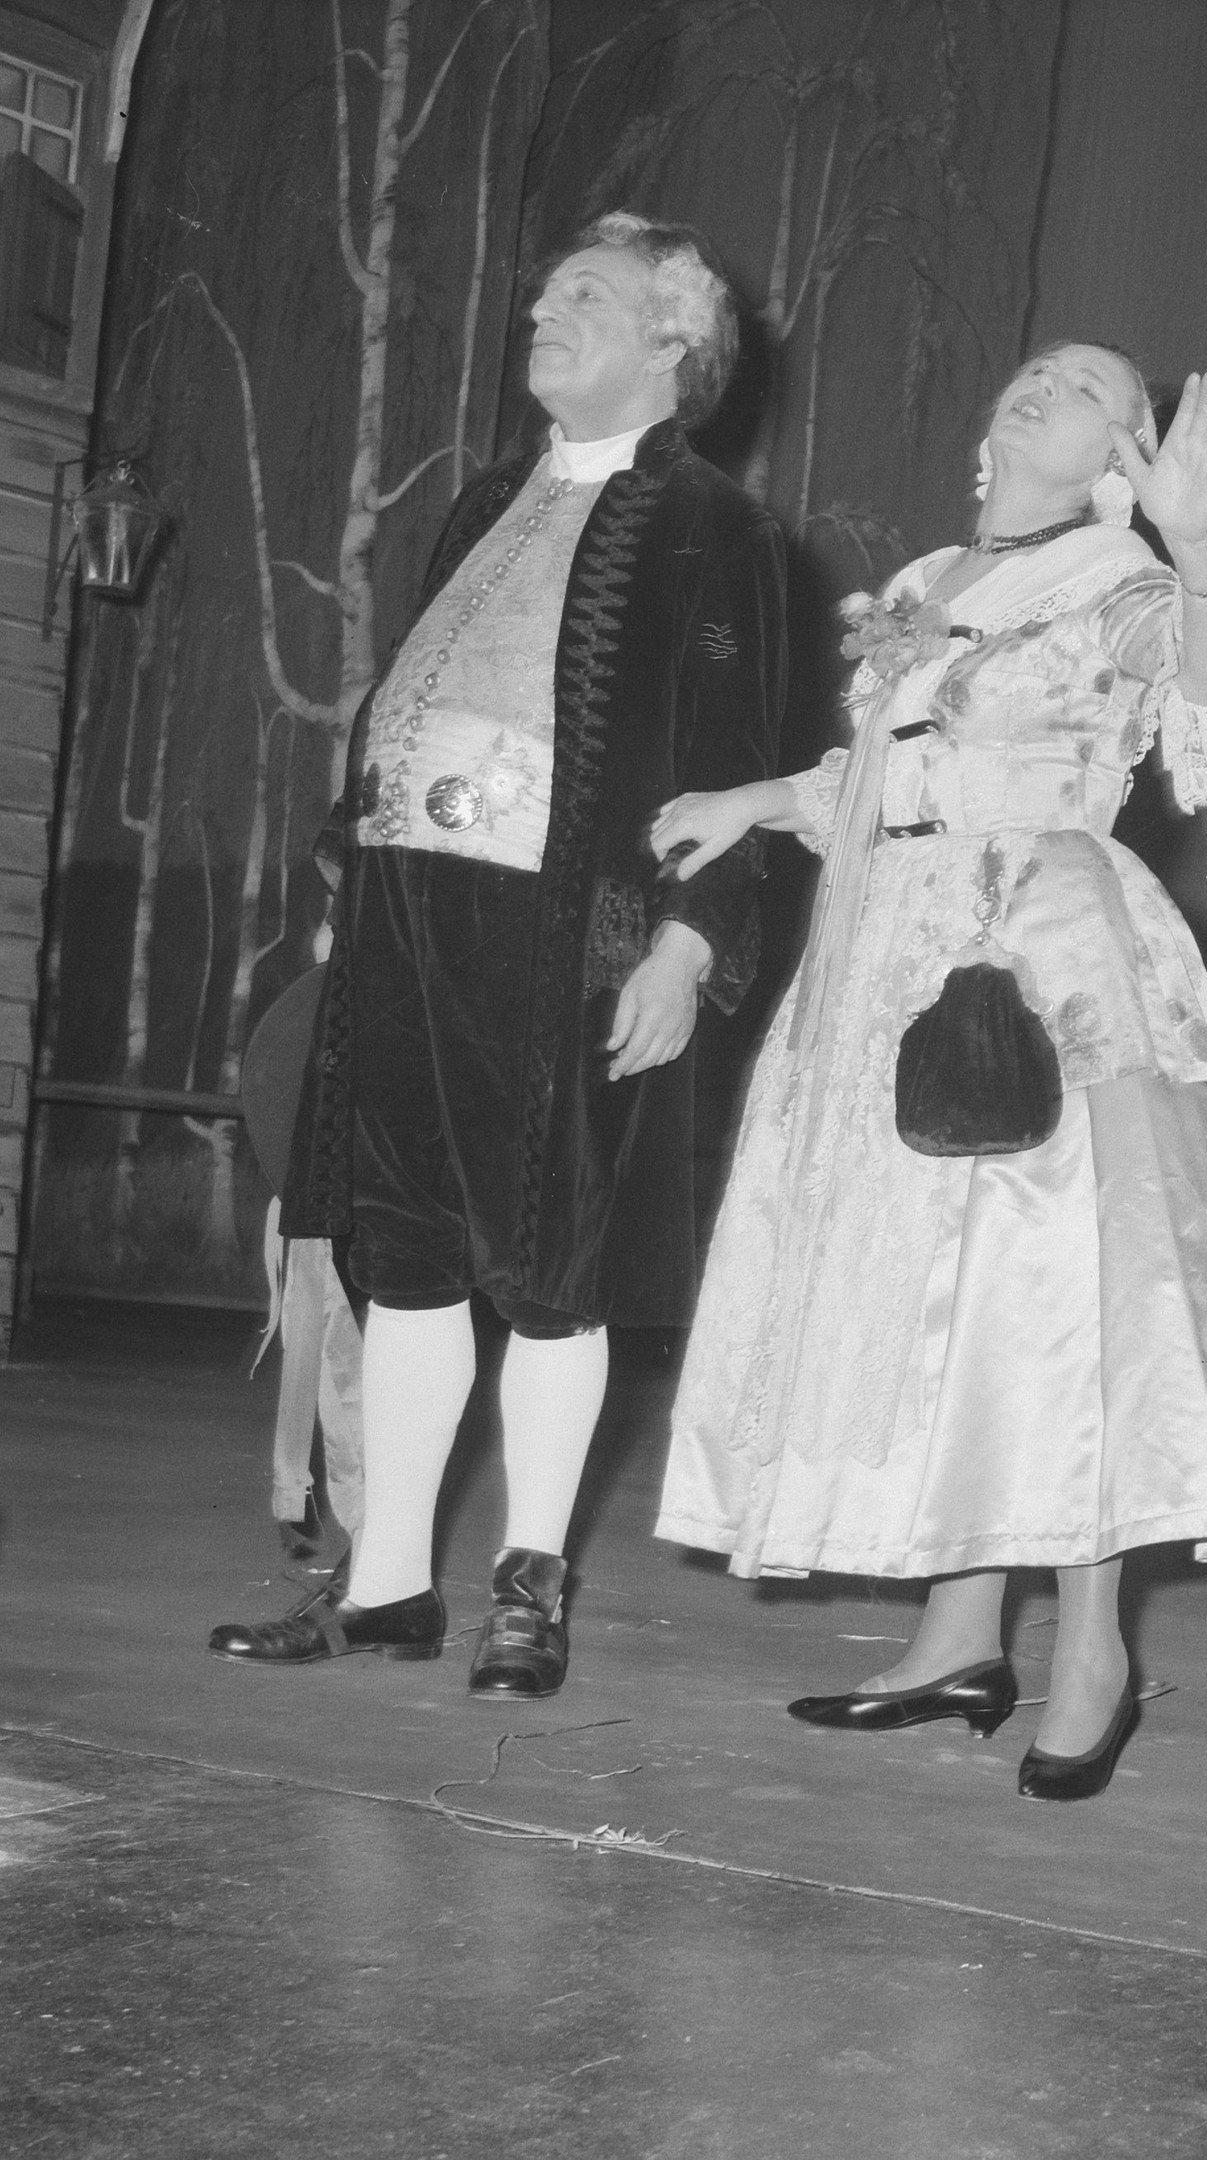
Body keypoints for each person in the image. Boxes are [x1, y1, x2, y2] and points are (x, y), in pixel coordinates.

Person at [652, 342, 1207, 1798]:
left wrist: (1198, 543)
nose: (1038, 385)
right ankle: (960, 1633)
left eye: (1084, 387)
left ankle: (1094, 1650)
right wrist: (760, 798)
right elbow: (893, 777)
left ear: (1122, 454)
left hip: (1036, 952)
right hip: (886, 952)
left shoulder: (1119, 577)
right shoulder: (929, 581)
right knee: (918, 1294)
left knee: (1052, 1297)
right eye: (1028, 371)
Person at [209, 213, 786, 1696]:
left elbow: (741, 759)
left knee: (555, 1266)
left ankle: (527, 1589)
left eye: (580, 295)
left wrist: (686, 943)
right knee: (401, 1255)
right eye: (538, 293)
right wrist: (352, 890)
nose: (542, 313)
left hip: (568, 932)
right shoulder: (483, 499)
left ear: (674, 338)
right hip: (411, 915)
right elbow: (412, 698)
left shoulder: (715, 523)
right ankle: (389, 1583)